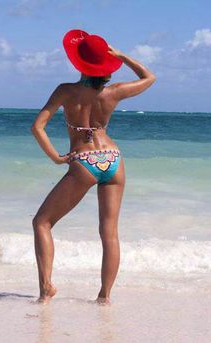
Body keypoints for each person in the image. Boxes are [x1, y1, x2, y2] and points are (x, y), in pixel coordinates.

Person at [31, 29, 156, 305]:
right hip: (113, 158)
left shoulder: (66, 91)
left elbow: (37, 127)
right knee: (109, 232)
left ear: (79, 63)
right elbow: (150, 77)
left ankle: (45, 290)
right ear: (107, 65)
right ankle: (104, 297)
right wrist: (122, 55)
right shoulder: (113, 93)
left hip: (84, 161)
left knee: (42, 222)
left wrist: (55, 157)